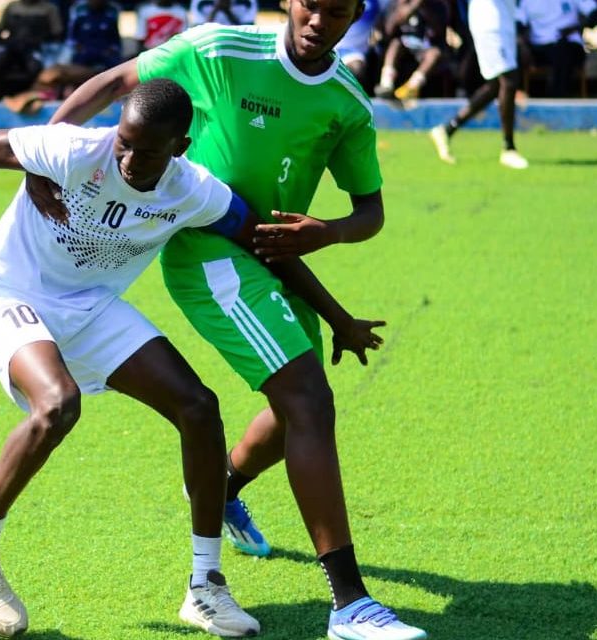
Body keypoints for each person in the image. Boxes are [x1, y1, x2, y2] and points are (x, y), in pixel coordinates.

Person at [0, 79, 385, 639]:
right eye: (124, 143)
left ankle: (206, 585)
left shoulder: (194, 191)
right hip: (7, 290)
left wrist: (338, 318)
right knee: (57, 404)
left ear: (181, 147)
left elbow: (266, 242)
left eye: (149, 152)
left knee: (198, 407)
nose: (130, 161)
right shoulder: (75, 149)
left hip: (89, 306)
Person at [27, 3, 431, 639]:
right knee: (308, 399)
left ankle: (224, 488)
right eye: (311, 4)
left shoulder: (348, 101)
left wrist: (327, 233)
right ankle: (350, 604)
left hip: (275, 257)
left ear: (358, 14)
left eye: (338, 11)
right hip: (208, 250)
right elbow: (115, 82)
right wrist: (44, 157)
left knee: (292, 410)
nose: (319, 20)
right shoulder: (220, 49)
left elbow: (370, 212)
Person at [428, 0, 528, 168]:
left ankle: (447, 130)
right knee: (509, 80)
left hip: (506, 19)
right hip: (491, 21)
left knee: (495, 86)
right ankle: (509, 148)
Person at [516, 0, 597, 97]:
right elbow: (518, 24)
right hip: (538, 47)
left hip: (567, 43)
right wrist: (523, 46)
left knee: (563, 51)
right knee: (515, 51)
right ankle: (518, 95)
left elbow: (596, 13)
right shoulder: (525, 1)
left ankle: (558, 97)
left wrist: (577, 28)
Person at [373, 0, 448, 101]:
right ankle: (386, 84)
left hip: (425, 48)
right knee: (395, 44)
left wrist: (422, 6)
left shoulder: (437, 5)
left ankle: (412, 87)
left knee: (434, 54)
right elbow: (388, 31)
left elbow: (440, 31)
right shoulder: (395, 4)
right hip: (404, 46)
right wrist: (408, 8)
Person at [0, 0, 61, 98]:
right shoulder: (12, 7)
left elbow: (57, 32)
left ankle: (34, 96)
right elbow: (0, 30)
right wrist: (1, 44)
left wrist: (41, 43)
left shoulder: (49, 9)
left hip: (35, 47)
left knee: (35, 68)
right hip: (13, 46)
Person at [63, 0, 120, 69]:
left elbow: (116, 41)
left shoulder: (110, 18)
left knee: (117, 65)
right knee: (75, 65)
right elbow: (71, 39)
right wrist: (79, 48)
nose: (95, 2)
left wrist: (110, 50)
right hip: (85, 51)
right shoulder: (81, 18)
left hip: (105, 52)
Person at [189, 0, 256, 28]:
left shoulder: (248, 1)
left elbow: (249, 29)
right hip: (210, 41)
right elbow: (198, 29)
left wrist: (227, 11)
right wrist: (216, 8)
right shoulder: (199, 1)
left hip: (238, 41)